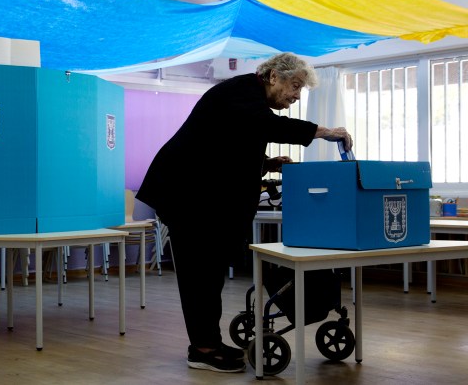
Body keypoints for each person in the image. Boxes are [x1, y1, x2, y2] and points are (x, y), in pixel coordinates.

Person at [135, 52, 353, 373]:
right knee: (200, 274)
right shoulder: (241, 92)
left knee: (209, 273)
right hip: (185, 195)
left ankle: (208, 342)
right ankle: (202, 350)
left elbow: (225, 150)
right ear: (274, 76)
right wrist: (323, 131)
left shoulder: (248, 101)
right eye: (295, 86)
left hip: (198, 195)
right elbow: (266, 126)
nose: (296, 95)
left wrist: (268, 164)